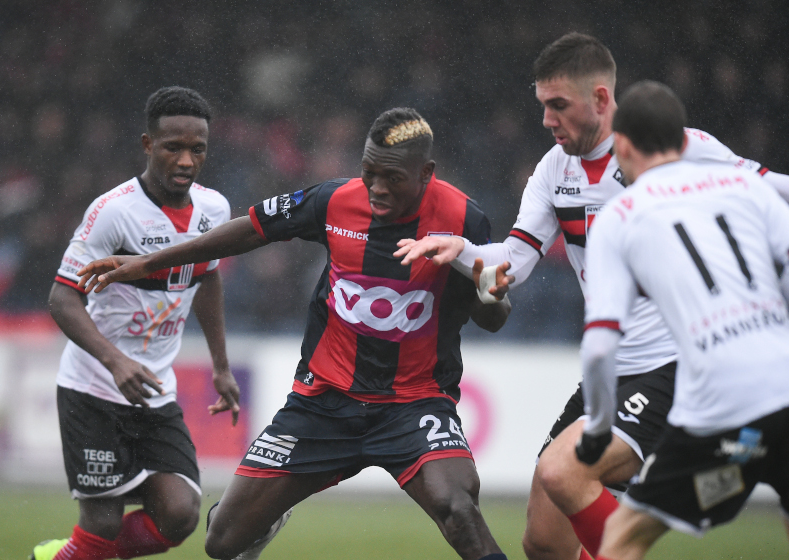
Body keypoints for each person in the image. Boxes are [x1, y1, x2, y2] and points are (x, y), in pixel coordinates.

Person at [394, 33, 789, 560]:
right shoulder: (553, 170)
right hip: (629, 375)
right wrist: (462, 251)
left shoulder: (674, 149)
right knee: (544, 540)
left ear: (601, 99)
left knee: (569, 476)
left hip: (671, 367)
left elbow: (778, 187)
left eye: (559, 105)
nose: (547, 119)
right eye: (542, 105)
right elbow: (515, 259)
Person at [77, 107, 513, 560]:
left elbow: (493, 317)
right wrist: (149, 262)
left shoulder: (464, 219)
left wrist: (490, 291)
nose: (377, 188)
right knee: (222, 542)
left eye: (393, 178)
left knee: (459, 512)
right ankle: (270, 516)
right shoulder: (333, 200)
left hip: (415, 403)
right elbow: (250, 231)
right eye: (369, 173)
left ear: (426, 172)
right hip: (323, 402)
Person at [578, 80, 789, 560]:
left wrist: (597, 429)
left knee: (622, 539)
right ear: (683, 140)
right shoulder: (741, 183)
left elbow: (598, 348)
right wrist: (766, 319)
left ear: (624, 146)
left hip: (724, 406)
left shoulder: (621, 215)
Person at [31, 86, 241, 560]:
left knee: (180, 514)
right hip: (94, 388)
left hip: (153, 390)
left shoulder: (214, 210)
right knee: (102, 524)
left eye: (198, 149)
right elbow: (62, 298)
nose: (186, 160)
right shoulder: (114, 211)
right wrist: (116, 362)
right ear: (148, 144)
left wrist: (221, 365)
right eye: (173, 147)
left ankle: (62, 556)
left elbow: (208, 278)